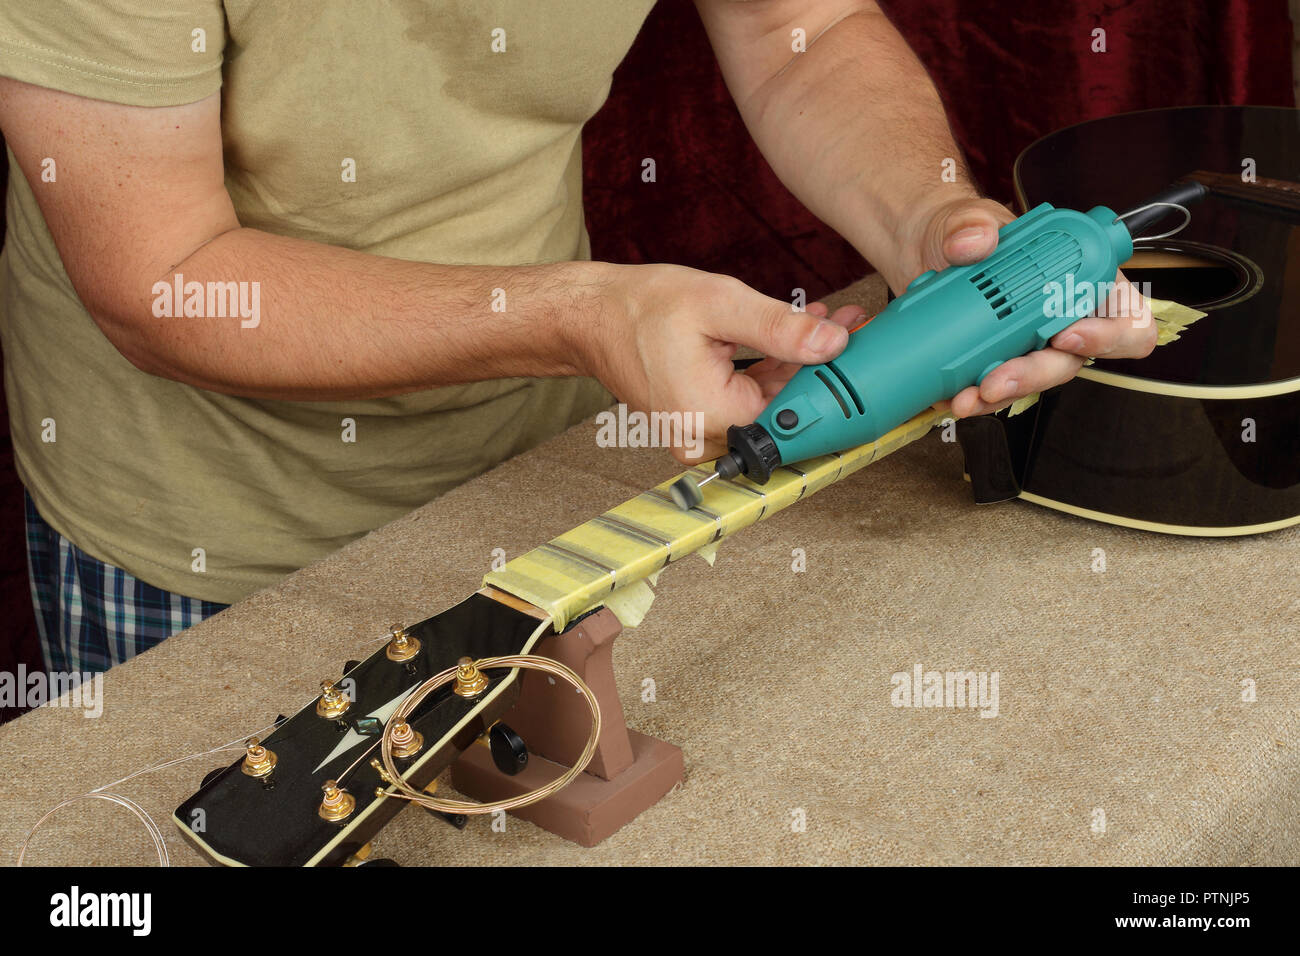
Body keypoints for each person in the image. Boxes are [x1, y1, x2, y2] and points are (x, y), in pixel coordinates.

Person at [0, 1, 1153, 674]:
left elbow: (798, 24)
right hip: (211, 527)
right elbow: (166, 281)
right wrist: (581, 314)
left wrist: (930, 222)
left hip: (536, 465)